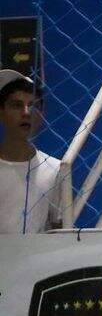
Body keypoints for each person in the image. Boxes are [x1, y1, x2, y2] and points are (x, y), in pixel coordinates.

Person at [0, 70, 61, 234]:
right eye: (16, 105)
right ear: (2, 112)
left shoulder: (55, 169)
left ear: (41, 114)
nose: (26, 113)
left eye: (33, 105)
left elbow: (60, 229)